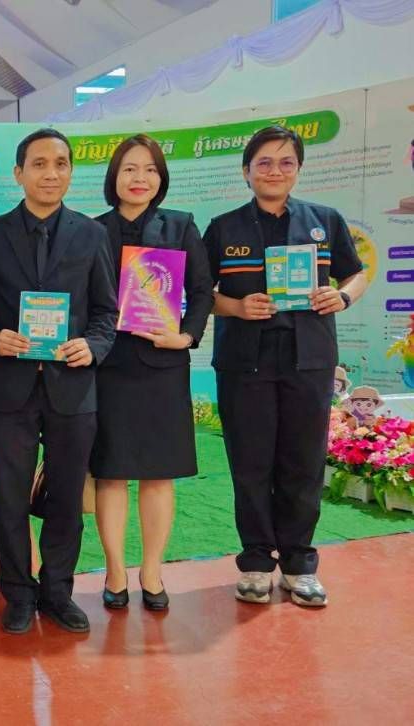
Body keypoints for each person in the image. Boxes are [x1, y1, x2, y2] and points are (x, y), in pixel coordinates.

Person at [204, 125, 367, 608]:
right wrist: (236, 307)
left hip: (309, 359)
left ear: (298, 170)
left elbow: (355, 274)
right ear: (246, 171)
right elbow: (199, 294)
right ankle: (256, 561)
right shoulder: (223, 227)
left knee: (303, 462)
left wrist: (341, 296)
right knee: (250, 463)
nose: (275, 171)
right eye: (264, 162)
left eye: (286, 162)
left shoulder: (325, 221)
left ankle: (299, 564)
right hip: (244, 361)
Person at [0, 128, 117, 635]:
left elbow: (106, 312)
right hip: (8, 388)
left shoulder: (92, 235)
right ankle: (17, 592)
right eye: (38, 164)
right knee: (10, 499)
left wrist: (92, 346)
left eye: (60, 163)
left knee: (66, 498)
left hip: (72, 387)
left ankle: (57, 592)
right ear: (19, 173)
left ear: (70, 172)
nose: (50, 173)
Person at [90, 135, 213, 611]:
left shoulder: (180, 225)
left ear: (161, 178)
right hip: (108, 368)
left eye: (150, 170)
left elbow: (201, 291)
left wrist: (187, 335)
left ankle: (153, 572)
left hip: (163, 366)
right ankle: (115, 572)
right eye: (129, 169)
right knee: (111, 474)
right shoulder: (92, 229)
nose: (139, 178)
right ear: (114, 177)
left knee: (159, 476)